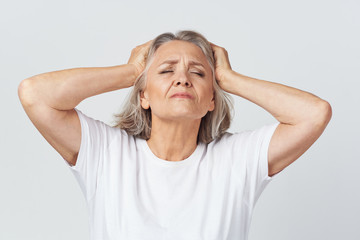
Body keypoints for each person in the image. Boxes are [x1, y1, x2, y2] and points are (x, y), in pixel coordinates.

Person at [18, 30, 332, 240]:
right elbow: (35, 94)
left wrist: (229, 78)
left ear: (212, 99)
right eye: (167, 70)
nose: (182, 78)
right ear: (144, 96)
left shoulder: (237, 160)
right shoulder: (106, 153)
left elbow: (314, 113)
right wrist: (131, 72)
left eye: (197, 72)